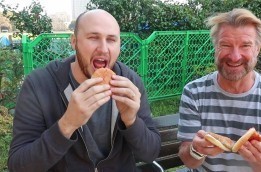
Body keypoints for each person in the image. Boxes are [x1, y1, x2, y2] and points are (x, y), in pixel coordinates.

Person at [8, 9, 161, 172]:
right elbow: (18, 166)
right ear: (74, 42)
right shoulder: (39, 84)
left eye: (111, 40)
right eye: (93, 38)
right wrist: (67, 124)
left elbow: (150, 154)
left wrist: (131, 120)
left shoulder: (130, 82)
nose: (103, 49)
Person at [177, 8, 261, 172]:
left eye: (245, 45)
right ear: (215, 47)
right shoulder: (194, 92)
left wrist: (260, 159)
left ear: (257, 49)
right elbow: (189, 161)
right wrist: (196, 150)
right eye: (225, 45)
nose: (235, 56)